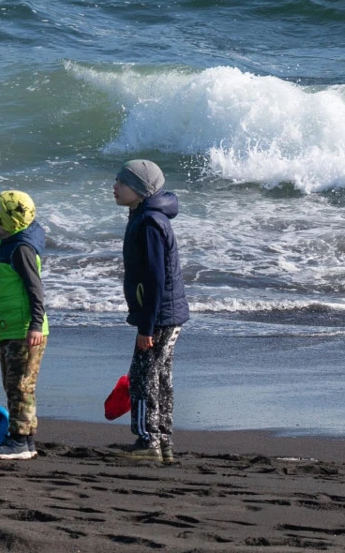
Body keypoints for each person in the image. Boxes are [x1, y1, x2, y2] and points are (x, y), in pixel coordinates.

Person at [115, 158, 188, 463]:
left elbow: (157, 279)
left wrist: (146, 327)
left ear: (142, 190)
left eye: (122, 183)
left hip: (158, 315)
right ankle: (163, 442)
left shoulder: (148, 222)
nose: (115, 187)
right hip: (164, 313)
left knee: (143, 376)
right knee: (160, 377)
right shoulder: (145, 215)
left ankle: (148, 441)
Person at [0, 189, 48, 461]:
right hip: (9, 326)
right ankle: (26, 440)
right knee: (14, 385)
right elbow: (6, 290)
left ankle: (19, 441)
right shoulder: (3, 243)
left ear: (8, 222)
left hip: (25, 330)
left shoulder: (20, 249)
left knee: (21, 386)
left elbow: (35, 290)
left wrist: (34, 324)